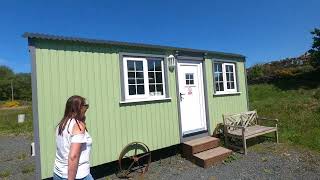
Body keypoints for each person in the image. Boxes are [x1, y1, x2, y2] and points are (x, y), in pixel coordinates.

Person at [53, 95, 93, 180]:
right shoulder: (78, 126)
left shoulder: (61, 124)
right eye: (85, 106)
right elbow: (73, 156)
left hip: (58, 173)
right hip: (78, 175)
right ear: (79, 108)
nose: (86, 109)